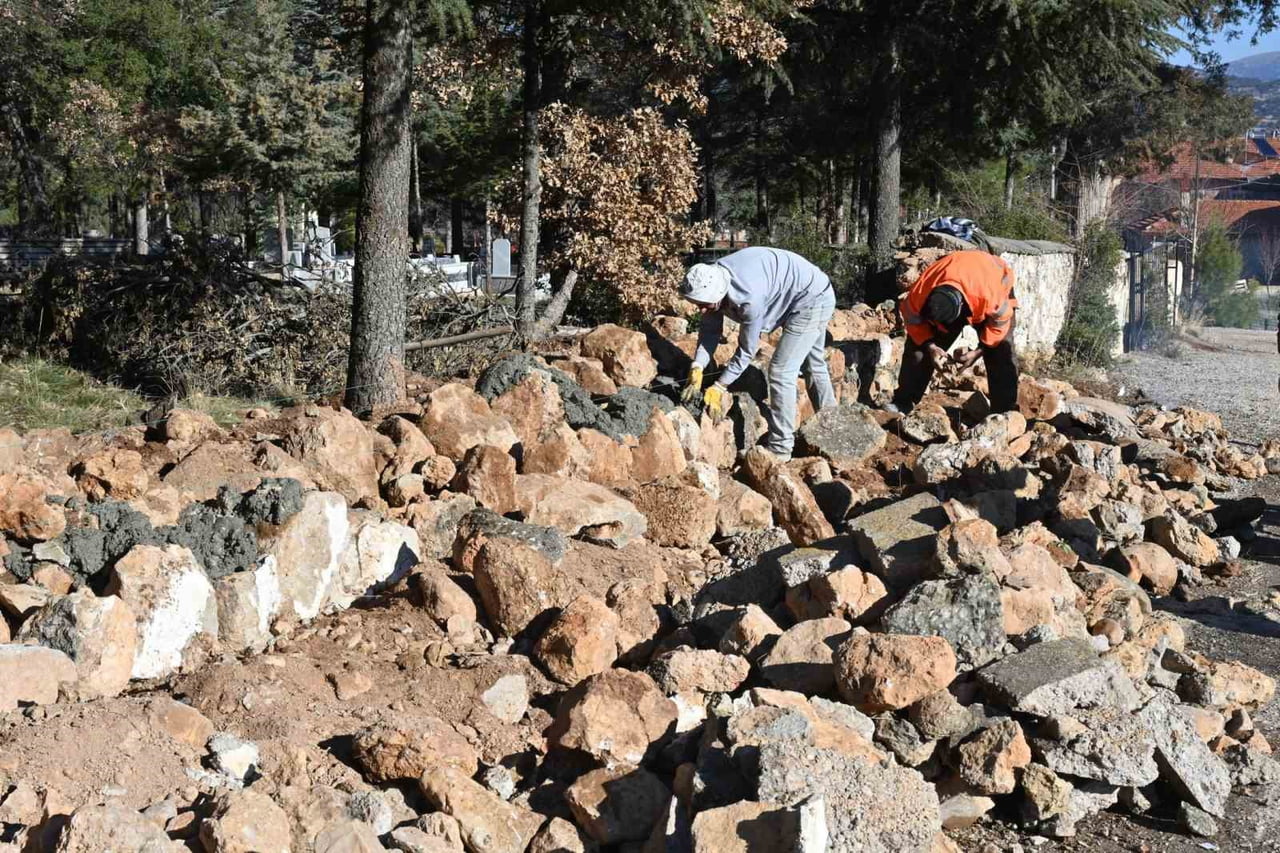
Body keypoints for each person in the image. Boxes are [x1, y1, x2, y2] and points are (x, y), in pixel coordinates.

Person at [679, 246, 837, 459]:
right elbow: (709, 331)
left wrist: (719, 386)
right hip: (806, 288)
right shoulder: (711, 278)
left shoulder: (748, 299)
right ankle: (834, 431)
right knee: (813, 364)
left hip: (812, 299)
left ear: (718, 294)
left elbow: (747, 350)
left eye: (704, 304)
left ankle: (780, 449)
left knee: (781, 371)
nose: (701, 310)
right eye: (698, 303)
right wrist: (697, 365)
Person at [891, 249, 1019, 414]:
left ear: (961, 309)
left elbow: (1000, 324)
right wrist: (930, 346)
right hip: (958, 276)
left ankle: (1004, 414)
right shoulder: (920, 293)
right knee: (918, 348)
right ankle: (903, 403)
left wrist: (980, 350)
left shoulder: (989, 297)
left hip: (994, 279)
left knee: (1001, 350)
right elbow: (913, 322)